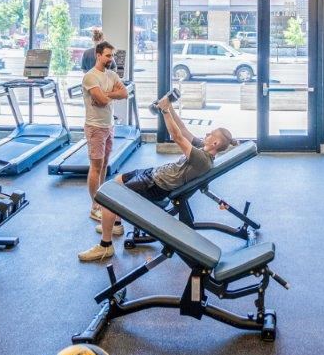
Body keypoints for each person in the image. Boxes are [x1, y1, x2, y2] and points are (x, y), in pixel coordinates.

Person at [79, 91, 235, 262]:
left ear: (215, 143)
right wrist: (169, 106)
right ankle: (115, 226)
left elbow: (176, 136)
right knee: (117, 180)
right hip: (154, 174)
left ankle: (105, 246)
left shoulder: (202, 160)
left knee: (109, 198)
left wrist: (165, 112)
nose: (206, 134)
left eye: (210, 134)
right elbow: (183, 130)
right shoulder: (202, 149)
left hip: (155, 185)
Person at [81, 41, 129, 233]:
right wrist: (109, 95)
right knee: (95, 166)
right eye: (108, 56)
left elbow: (123, 93)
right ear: (98, 55)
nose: (110, 59)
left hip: (109, 126)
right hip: (94, 127)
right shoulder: (90, 77)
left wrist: (106, 94)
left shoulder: (112, 74)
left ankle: (101, 201)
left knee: (104, 165)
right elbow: (99, 100)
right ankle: (94, 206)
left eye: (112, 56)